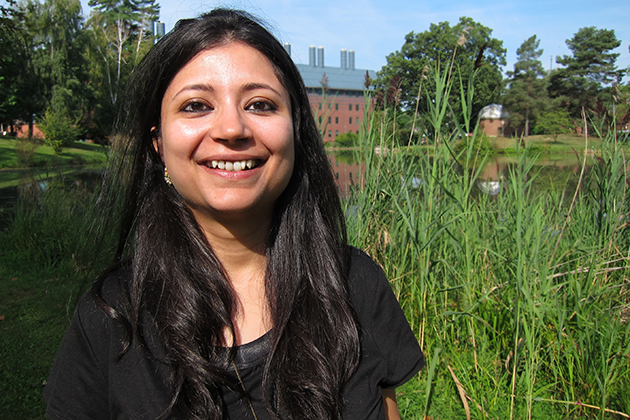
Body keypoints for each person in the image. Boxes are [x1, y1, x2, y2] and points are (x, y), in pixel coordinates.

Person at [43, 8, 424, 420]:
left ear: (295, 131)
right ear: (158, 144)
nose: (232, 128)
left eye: (260, 104)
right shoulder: (111, 317)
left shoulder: (354, 284)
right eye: (195, 106)